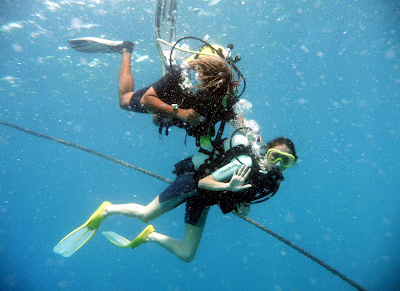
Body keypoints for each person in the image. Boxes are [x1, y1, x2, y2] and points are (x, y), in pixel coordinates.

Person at [53, 133, 298, 262]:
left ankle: (150, 236)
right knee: (145, 214)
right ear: (266, 151)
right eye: (276, 156)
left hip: (204, 200)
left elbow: (233, 199)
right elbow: (204, 182)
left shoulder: (269, 182)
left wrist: (240, 207)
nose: (279, 164)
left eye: (287, 161)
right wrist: (231, 188)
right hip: (191, 184)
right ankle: (106, 210)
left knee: (187, 255)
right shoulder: (245, 162)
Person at [68, 37, 242, 147]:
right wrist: (179, 112)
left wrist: (249, 133)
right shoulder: (181, 76)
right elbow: (146, 100)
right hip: (176, 98)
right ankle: (126, 49)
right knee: (124, 100)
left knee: (157, 120)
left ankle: (166, 110)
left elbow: (236, 116)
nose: (195, 87)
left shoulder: (225, 92)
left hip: (185, 111)